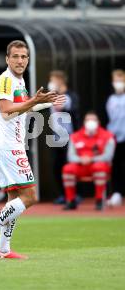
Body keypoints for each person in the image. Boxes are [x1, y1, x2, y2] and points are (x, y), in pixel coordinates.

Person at [0, 40, 65, 259]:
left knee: (14, 198)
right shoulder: (6, 80)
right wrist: (34, 100)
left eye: (24, 56)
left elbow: (23, 107)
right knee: (31, 196)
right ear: (7, 59)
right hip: (9, 147)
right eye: (15, 56)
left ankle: (5, 248)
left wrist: (45, 103)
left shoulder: (19, 80)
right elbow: (6, 111)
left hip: (8, 145)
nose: (20, 60)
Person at [62, 111, 116, 210]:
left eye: (93, 120)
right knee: (67, 168)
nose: (90, 122)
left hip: (98, 166)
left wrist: (92, 159)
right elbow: (70, 156)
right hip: (81, 165)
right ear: (84, 122)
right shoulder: (75, 136)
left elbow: (108, 156)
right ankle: (71, 201)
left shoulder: (108, 136)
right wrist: (81, 160)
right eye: (88, 120)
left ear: (98, 122)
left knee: (99, 167)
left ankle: (99, 200)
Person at [47, 70, 80, 205]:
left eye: (54, 80)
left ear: (61, 81)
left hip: (69, 137)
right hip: (56, 137)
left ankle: (75, 194)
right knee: (57, 167)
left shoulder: (68, 96)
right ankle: (63, 194)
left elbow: (60, 105)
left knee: (69, 166)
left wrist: (53, 94)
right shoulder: (52, 96)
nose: (51, 83)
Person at [106, 69, 125, 207]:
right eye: (115, 80)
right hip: (114, 138)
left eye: (120, 80)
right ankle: (117, 193)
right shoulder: (111, 99)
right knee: (116, 167)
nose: (118, 83)